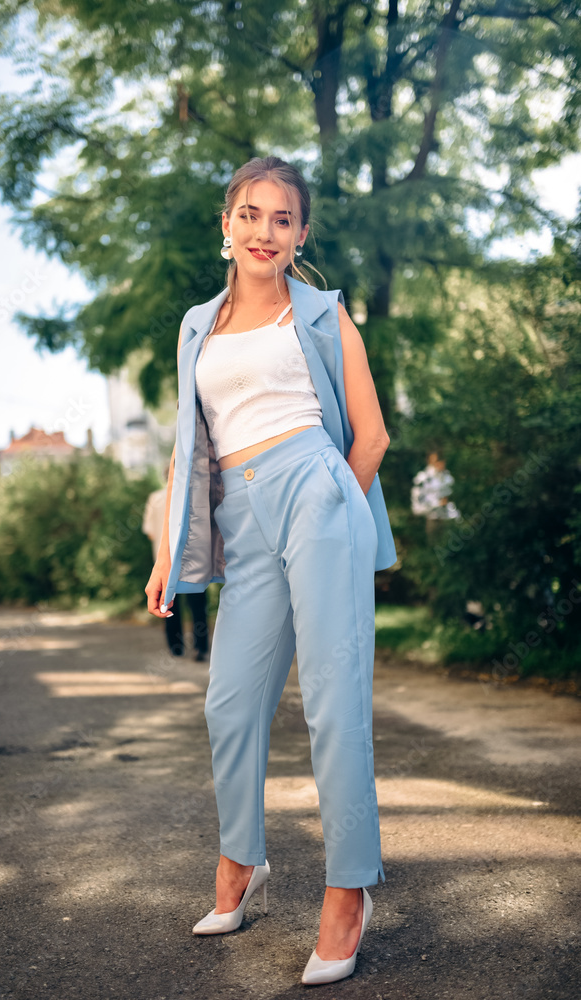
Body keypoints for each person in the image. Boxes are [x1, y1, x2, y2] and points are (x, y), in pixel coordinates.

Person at [145, 156, 397, 986]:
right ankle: (240, 860)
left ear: (300, 236)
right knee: (229, 702)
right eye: (250, 215)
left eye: (282, 219)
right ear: (227, 226)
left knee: (332, 703)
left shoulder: (324, 316)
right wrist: (164, 555)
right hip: (241, 519)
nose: (264, 231)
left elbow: (372, 435)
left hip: (318, 489)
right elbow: (189, 447)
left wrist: (335, 509)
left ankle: (349, 888)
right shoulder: (196, 326)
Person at [142, 464, 208, 660]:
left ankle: (176, 647)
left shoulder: (155, 499)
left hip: (164, 566)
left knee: (169, 607)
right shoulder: (194, 497)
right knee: (197, 606)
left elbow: (151, 533)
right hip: (193, 561)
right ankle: (200, 647)